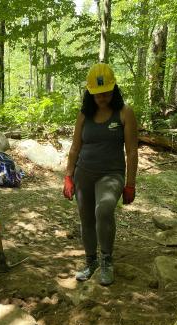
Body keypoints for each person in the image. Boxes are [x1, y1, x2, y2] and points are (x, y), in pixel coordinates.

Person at [63, 63, 138, 285]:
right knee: (86, 218)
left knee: (104, 209)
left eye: (106, 92)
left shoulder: (124, 113)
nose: (102, 97)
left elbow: (132, 151)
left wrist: (130, 183)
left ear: (114, 89)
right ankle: (91, 261)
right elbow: (75, 148)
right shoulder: (84, 115)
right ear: (90, 93)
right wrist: (68, 175)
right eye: (97, 94)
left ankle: (106, 260)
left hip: (111, 174)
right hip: (83, 174)